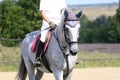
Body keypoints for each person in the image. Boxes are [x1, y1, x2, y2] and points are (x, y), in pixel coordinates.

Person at [35, 0, 67, 66]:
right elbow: (43, 13)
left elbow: (63, 10)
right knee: (43, 38)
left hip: (59, 23)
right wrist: (50, 22)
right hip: (47, 24)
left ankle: (71, 56)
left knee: (67, 36)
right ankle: (38, 58)